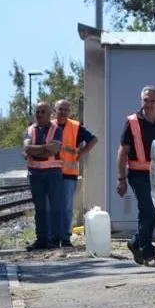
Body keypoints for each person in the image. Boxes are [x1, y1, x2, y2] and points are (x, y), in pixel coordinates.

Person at [116, 85, 155, 265]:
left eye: (152, 101)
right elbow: (122, 152)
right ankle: (149, 255)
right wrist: (121, 179)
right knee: (147, 210)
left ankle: (136, 242)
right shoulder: (132, 121)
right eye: (145, 100)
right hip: (138, 175)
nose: (148, 104)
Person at [53, 99, 98, 247]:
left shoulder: (75, 127)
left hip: (68, 173)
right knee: (52, 207)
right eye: (60, 109)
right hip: (51, 173)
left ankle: (65, 237)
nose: (63, 112)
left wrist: (82, 153)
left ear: (69, 111)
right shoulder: (50, 126)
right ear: (55, 110)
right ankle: (52, 237)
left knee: (66, 207)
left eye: (66, 109)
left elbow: (93, 140)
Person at [22, 101, 65, 251]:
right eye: (37, 111)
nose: (39, 114)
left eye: (42, 112)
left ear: (49, 114)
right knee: (39, 208)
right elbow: (27, 148)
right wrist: (44, 148)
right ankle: (41, 239)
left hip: (53, 173)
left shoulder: (57, 130)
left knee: (55, 207)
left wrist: (36, 150)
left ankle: (55, 240)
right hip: (35, 174)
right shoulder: (30, 130)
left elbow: (52, 151)